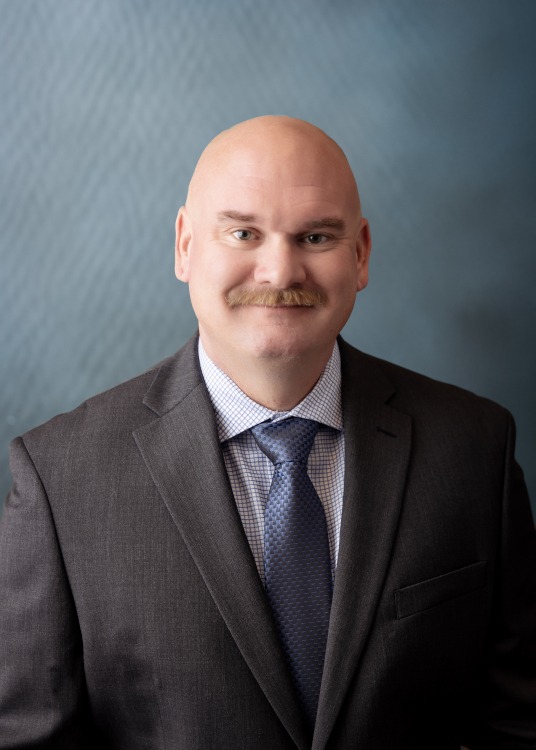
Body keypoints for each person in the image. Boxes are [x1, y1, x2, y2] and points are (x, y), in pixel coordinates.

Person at [0, 116, 535, 750]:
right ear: (185, 246)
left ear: (360, 254)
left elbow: (518, 722)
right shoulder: (60, 478)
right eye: (243, 233)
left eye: (315, 236)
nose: (280, 272)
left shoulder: (475, 447)